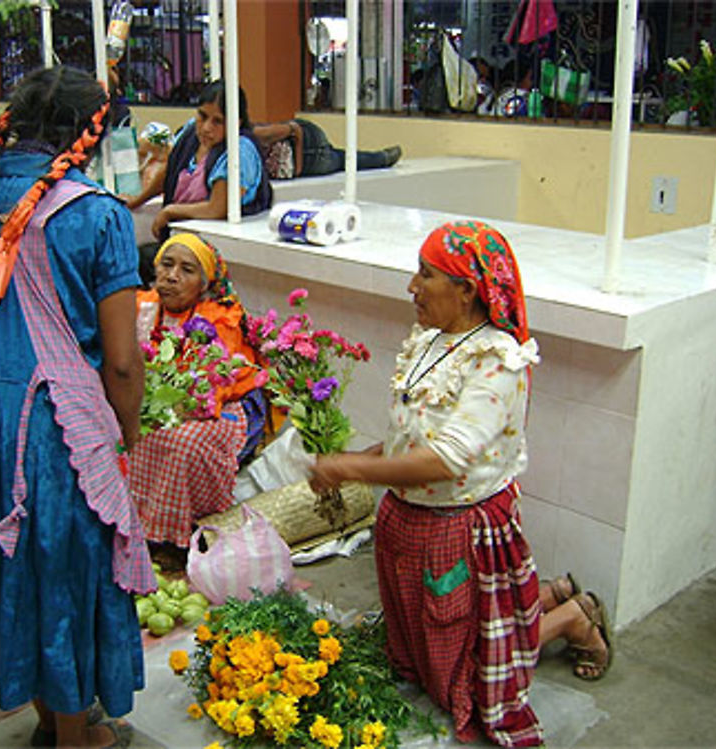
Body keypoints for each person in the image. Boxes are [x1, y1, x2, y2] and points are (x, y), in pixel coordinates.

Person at [0, 66, 153, 749]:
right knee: (63, 567)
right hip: (51, 427)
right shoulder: (97, 215)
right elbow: (123, 360)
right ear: (88, 134)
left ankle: (49, 718)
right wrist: (124, 433)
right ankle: (76, 736)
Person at [309, 220, 612, 747]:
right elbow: (414, 437)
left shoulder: (497, 361)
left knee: (472, 659)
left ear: (467, 289)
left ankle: (571, 620)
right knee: (432, 637)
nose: (412, 287)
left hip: (460, 528)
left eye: (425, 275)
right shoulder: (432, 342)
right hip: (408, 518)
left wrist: (347, 468)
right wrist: (365, 455)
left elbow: (447, 459)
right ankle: (550, 596)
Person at [129, 232, 266, 562]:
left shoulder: (220, 318)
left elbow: (208, 391)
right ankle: (137, 526)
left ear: (204, 283)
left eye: (187, 270)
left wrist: (153, 409)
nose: (172, 276)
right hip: (165, 401)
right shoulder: (144, 305)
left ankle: (177, 537)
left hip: (223, 404)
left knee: (181, 443)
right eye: (166, 264)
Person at [124, 80, 273, 247]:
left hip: (213, 246)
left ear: (235, 122)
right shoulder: (191, 133)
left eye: (217, 121)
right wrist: (137, 200)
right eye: (202, 116)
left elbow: (217, 208)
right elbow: (169, 171)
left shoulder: (240, 151)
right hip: (180, 239)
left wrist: (170, 211)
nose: (206, 128)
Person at [252, 118, 402, 180]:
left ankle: (382, 158)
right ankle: (382, 157)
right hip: (307, 154)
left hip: (309, 152)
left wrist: (298, 168)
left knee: (343, 159)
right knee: (343, 158)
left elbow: (294, 129)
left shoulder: (254, 135)